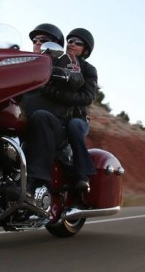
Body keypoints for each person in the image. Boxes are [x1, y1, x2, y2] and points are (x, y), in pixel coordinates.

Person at [21, 23, 86, 197]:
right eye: (35, 40)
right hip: (25, 119)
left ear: (55, 45)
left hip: (56, 125)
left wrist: (60, 73)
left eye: (43, 41)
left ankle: (37, 181)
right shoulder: (24, 62)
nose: (37, 43)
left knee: (40, 117)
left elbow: (76, 78)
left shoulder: (66, 60)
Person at [41, 28, 97, 191]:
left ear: (85, 49)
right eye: (70, 41)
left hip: (78, 119)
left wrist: (57, 94)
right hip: (57, 116)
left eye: (77, 43)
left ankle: (83, 175)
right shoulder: (57, 62)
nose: (72, 44)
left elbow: (88, 97)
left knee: (73, 126)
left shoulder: (88, 69)